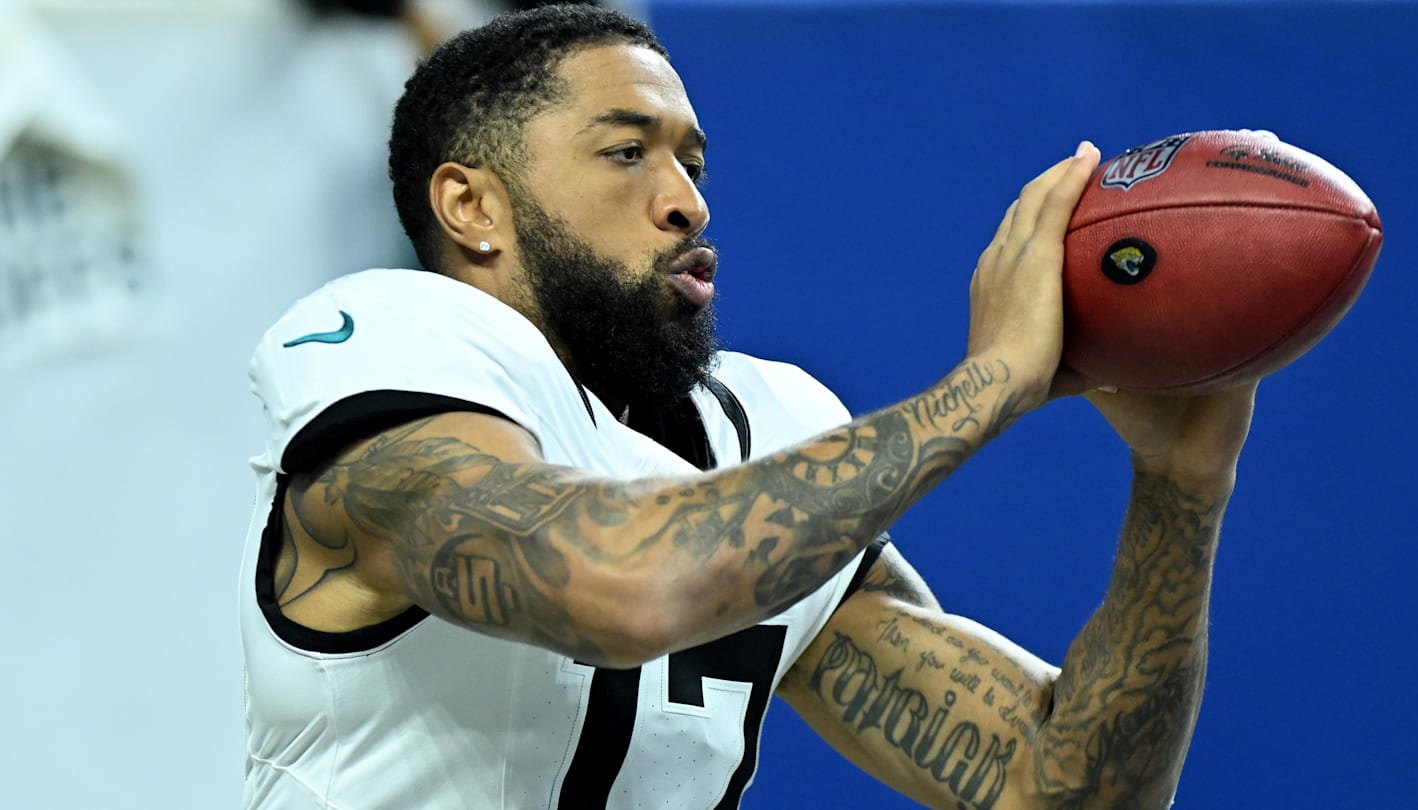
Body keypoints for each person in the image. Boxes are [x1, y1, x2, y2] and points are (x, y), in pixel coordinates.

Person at [239, 5, 1257, 808]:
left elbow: (1059, 790)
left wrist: (1181, 488)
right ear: (471, 208)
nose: (687, 200)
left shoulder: (762, 427)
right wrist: (988, 383)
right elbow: (623, 587)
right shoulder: (382, 342)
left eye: (692, 158)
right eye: (626, 151)